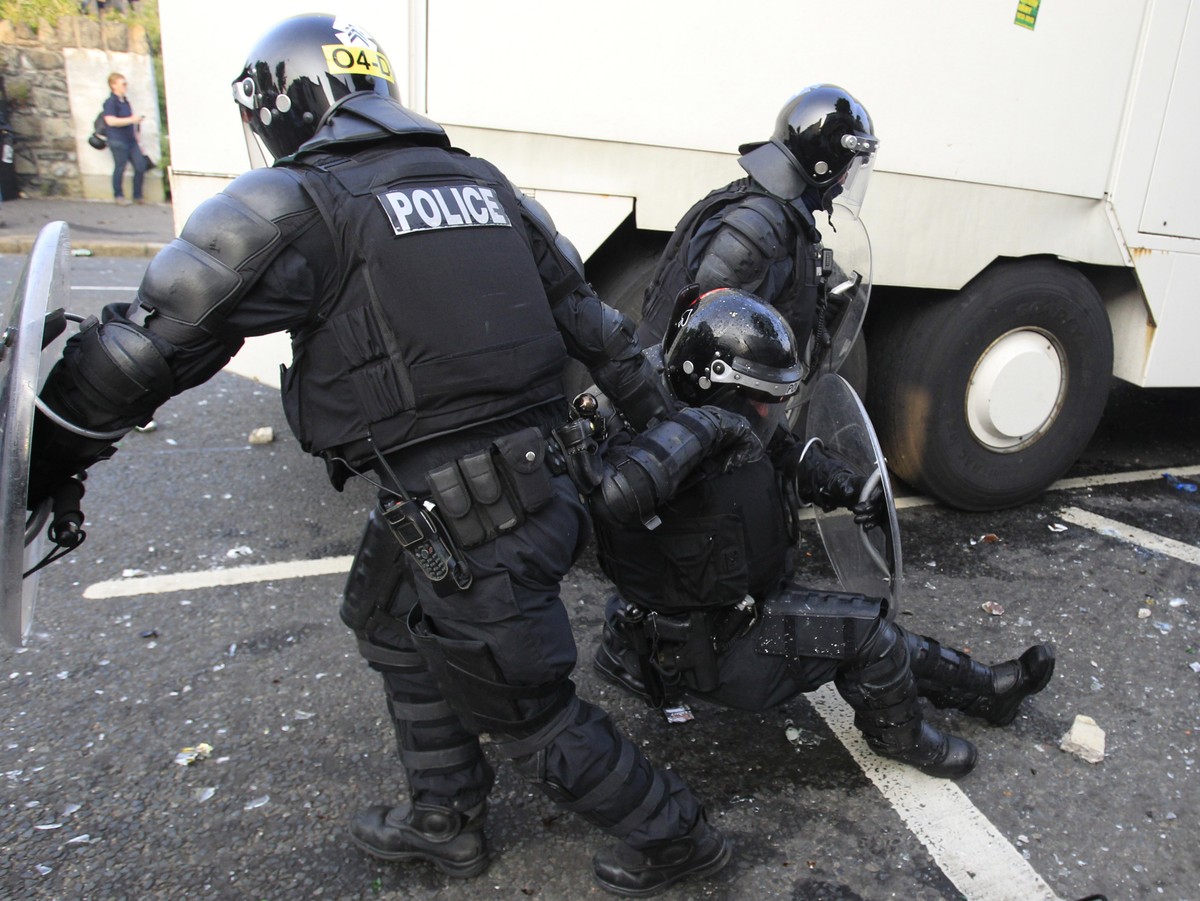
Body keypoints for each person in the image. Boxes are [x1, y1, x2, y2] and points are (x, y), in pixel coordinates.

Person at [27, 14, 747, 898]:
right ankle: (443, 818)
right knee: (383, 617)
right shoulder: (486, 187)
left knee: (525, 706)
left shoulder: (297, 203)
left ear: (285, 104)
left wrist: (43, 457)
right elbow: (603, 334)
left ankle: (680, 838)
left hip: (478, 519)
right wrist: (670, 433)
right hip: (507, 492)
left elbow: (143, 351)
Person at [587, 288, 1056, 778]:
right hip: (712, 646)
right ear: (715, 387)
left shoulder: (731, 418)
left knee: (883, 635)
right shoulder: (647, 453)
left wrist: (848, 485)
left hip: (740, 606)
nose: (767, 414)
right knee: (871, 638)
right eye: (758, 402)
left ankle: (987, 691)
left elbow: (785, 451)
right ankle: (902, 738)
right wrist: (702, 430)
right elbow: (618, 498)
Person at [636, 83, 878, 376]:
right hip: (675, 397)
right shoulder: (756, 228)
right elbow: (703, 336)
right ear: (823, 163)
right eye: (847, 168)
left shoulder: (782, 215)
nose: (844, 182)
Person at [102, 72, 149, 205]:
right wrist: (131, 119)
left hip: (130, 140)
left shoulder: (125, 101)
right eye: (123, 84)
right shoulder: (111, 102)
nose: (125, 86)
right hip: (117, 140)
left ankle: (137, 195)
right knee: (120, 167)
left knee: (140, 166)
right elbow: (110, 121)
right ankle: (118, 195)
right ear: (113, 85)